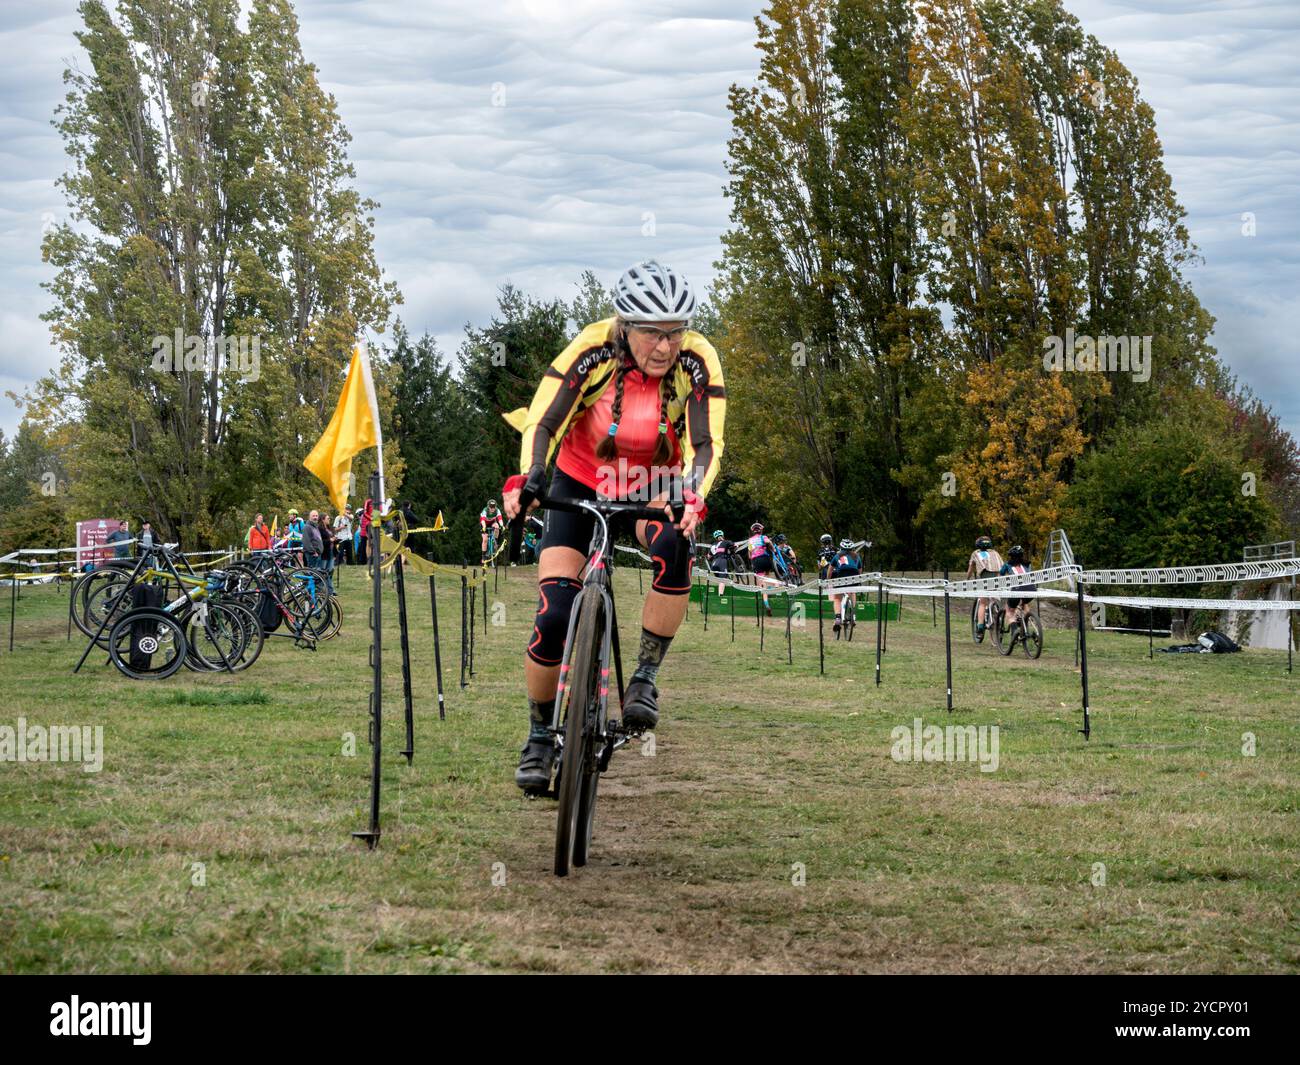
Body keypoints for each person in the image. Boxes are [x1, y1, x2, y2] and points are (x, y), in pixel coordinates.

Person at [502, 260, 723, 791]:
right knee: (554, 612)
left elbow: (706, 443)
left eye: (675, 332)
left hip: (655, 484)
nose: (665, 346)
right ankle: (538, 734)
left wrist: (691, 495)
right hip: (581, 480)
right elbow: (545, 419)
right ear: (625, 325)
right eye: (652, 332)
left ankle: (644, 677)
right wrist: (531, 478)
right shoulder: (593, 349)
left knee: (674, 544)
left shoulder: (698, 360)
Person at [967, 535, 1003, 635]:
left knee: (983, 602)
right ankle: (997, 614)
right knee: (994, 599)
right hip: (998, 578)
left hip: (985, 578)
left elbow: (971, 570)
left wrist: (967, 579)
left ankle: (980, 627)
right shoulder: (995, 552)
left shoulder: (976, 553)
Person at [999, 544, 1036, 631]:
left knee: (1009, 611)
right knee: (1024, 603)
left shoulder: (1007, 565)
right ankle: (1025, 624)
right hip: (1031, 589)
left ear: (1011, 556)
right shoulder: (1027, 564)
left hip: (1016, 589)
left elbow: (1000, 577)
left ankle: (1015, 630)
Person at [830, 538, 862, 632]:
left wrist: (828, 580)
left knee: (837, 598)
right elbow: (859, 570)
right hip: (853, 576)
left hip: (840, 576)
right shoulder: (856, 556)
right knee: (852, 592)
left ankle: (838, 618)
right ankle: (853, 613)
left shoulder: (837, 555)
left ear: (840, 548)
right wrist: (858, 580)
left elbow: (830, 569)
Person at [744, 522, 776, 615]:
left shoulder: (750, 540)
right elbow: (768, 542)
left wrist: (752, 557)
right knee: (767, 575)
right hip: (766, 559)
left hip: (756, 561)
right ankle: (772, 587)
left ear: (753, 532)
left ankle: (767, 604)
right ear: (761, 530)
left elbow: (750, 553)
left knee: (761, 584)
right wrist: (773, 550)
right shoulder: (763, 537)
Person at [480, 499, 505, 564]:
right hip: (484, 523)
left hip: (492, 523)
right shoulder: (485, 510)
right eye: (491, 507)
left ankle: (495, 542)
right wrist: (484, 527)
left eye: (493, 507)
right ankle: (483, 556)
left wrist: (502, 526)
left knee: (497, 527)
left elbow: (500, 519)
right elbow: (482, 520)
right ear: (488, 506)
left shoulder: (497, 511)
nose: (492, 508)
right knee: (485, 539)